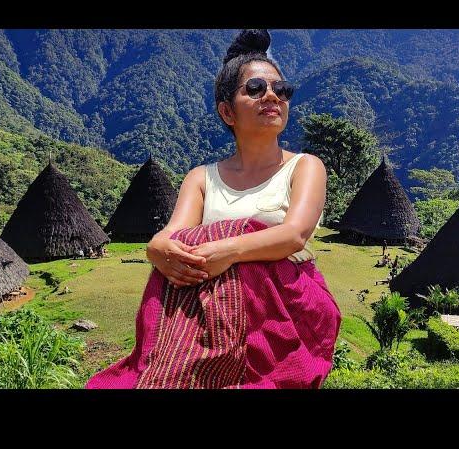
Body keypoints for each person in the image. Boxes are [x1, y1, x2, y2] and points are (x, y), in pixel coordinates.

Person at [85, 29, 341, 389]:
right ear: (227, 111)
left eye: (281, 89)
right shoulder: (202, 178)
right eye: (254, 89)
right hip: (208, 319)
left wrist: (228, 250)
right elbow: (173, 234)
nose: (272, 96)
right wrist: (157, 247)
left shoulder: (304, 167)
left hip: (277, 319)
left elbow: (294, 234)